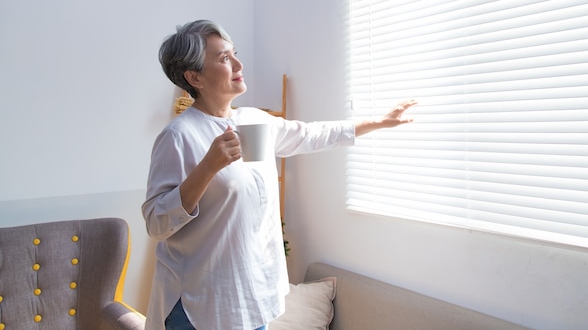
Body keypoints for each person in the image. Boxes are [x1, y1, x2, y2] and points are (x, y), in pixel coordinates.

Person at [142, 19, 417, 330]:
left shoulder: (254, 120)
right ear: (194, 77)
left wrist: (378, 122)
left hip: (252, 297)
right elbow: (156, 222)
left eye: (235, 53)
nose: (238, 63)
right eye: (223, 58)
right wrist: (208, 167)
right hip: (200, 305)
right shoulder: (179, 135)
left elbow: (314, 134)